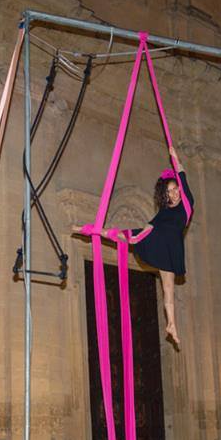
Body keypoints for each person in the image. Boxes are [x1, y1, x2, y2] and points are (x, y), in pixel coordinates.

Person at [75, 147, 194, 346]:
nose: (173, 194)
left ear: (180, 190)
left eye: (175, 190)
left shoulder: (187, 204)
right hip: (157, 240)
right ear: (165, 196)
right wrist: (136, 237)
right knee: (123, 235)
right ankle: (92, 230)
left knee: (168, 289)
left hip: (170, 250)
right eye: (169, 192)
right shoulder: (164, 212)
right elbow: (150, 226)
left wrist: (175, 157)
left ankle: (171, 324)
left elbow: (182, 173)